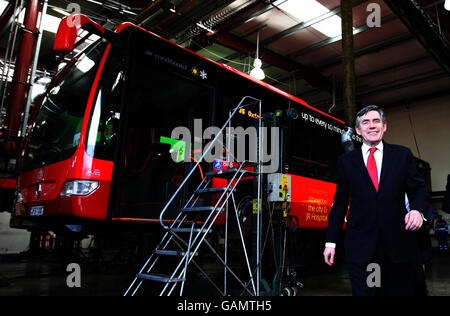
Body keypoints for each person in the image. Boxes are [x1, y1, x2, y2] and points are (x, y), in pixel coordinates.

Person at [323, 105, 428, 296]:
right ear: (358, 130)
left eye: (376, 121)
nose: (371, 126)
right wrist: (331, 242)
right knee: (369, 292)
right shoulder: (346, 162)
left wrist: (417, 210)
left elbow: (418, 188)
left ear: (384, 126)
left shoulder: (402, 155)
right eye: (365, 122)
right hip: (364, 250)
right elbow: (339, 204)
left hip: (398, 248)